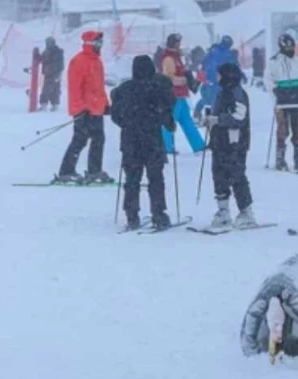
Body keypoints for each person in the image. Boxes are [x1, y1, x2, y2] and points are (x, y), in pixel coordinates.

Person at [110, 54, 175, 231]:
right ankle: (159, 214)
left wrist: (127, 123)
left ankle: (132, 215)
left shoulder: (124, 89)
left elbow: (115, 115)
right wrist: (170, 124)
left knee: (132, 179)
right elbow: (166, 110)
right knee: (156, 178)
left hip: (130, 140)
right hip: (152, 139)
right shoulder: (156, 88)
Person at [204, 62, 257, 230]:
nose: (218, 78)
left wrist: (219, 120)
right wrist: (211, 119)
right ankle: (223, 211)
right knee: (219, 174)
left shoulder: (237, 93)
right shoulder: (223, 93)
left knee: (236, 175)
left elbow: (239, 117)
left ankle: (246, 212)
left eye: (220, 74)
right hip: (219, 141)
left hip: (235, 142)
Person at [55, 31, 112, 184]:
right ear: (89, 44)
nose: (100, 46)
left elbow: (99, 87)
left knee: (99, 139)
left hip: (97, 109)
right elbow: (74, 88)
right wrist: (79, 109)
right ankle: (66, 171)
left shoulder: (97, 62)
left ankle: (94, 171)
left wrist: (106, 104)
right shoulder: (78, 61)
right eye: (98, 43)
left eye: (101, 43)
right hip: (84, 110)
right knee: (80, 139)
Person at [156, 33, 205, 154]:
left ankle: (198, 145)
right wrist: (183, 80)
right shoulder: (168, 58)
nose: (180, 45)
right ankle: (167, 147)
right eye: (178, 43)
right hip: (173, 95)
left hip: (181, 95)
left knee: (187, 121)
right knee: (170, 121)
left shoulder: (176, 57)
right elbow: (167, 77)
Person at [268, 33, 298, 172]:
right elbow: (268, 79)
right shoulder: (274, 61)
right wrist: (274, 90)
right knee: (282, 130)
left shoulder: (297, 61)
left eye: (292, 46)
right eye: (288, 46)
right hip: (282, 101)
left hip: (297, 100)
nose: (290, 49)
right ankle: (280, 159)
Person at [197, 35, 237, 120]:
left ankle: (200, 115)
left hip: (209, 79)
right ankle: (215, 117)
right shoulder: (228, 54)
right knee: (218, 99)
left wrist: (205, 77)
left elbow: (204, 64)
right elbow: (233, 67)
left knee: (207, 99)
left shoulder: (212, 51)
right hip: (220, 80)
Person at [39, 37, 64, 112]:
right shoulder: (47, 51)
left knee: (49, 90)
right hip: (49, 73)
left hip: (54, 74)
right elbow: (42, 58)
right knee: (51, 90)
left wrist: (58, 74)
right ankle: (51, 105)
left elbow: (60, 64)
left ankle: (48, 105)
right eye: (47, 43)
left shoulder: (57, 52)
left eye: (49, 43)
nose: (48, 44)